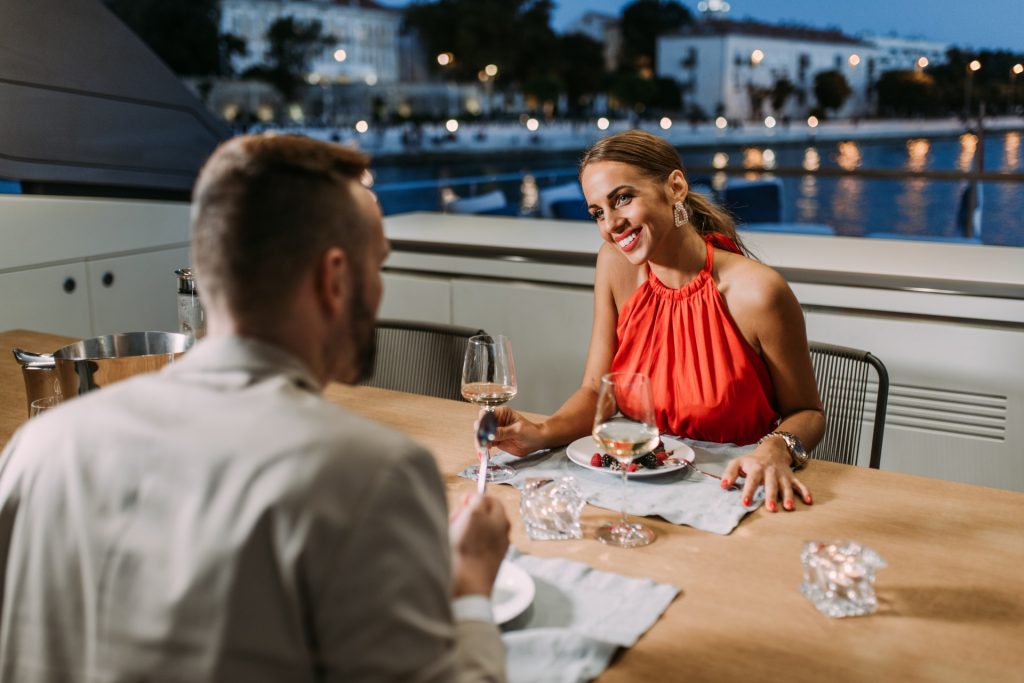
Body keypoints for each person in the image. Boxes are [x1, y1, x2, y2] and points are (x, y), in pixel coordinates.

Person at [0, 134, 510, 682]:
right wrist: (471, 589)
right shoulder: (371, 474)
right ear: (333, 279)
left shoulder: (38, 446)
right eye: (376, 266)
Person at [493, 130, 825, 512]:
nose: (611, 225)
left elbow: (808, 413)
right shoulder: (614, 265)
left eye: (623, 199)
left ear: (676, 186)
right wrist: (537, 433)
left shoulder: (757, 292)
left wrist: (776, 450)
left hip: (732, 491)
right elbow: (595, 391)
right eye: (598, 212)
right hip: (635, 489)